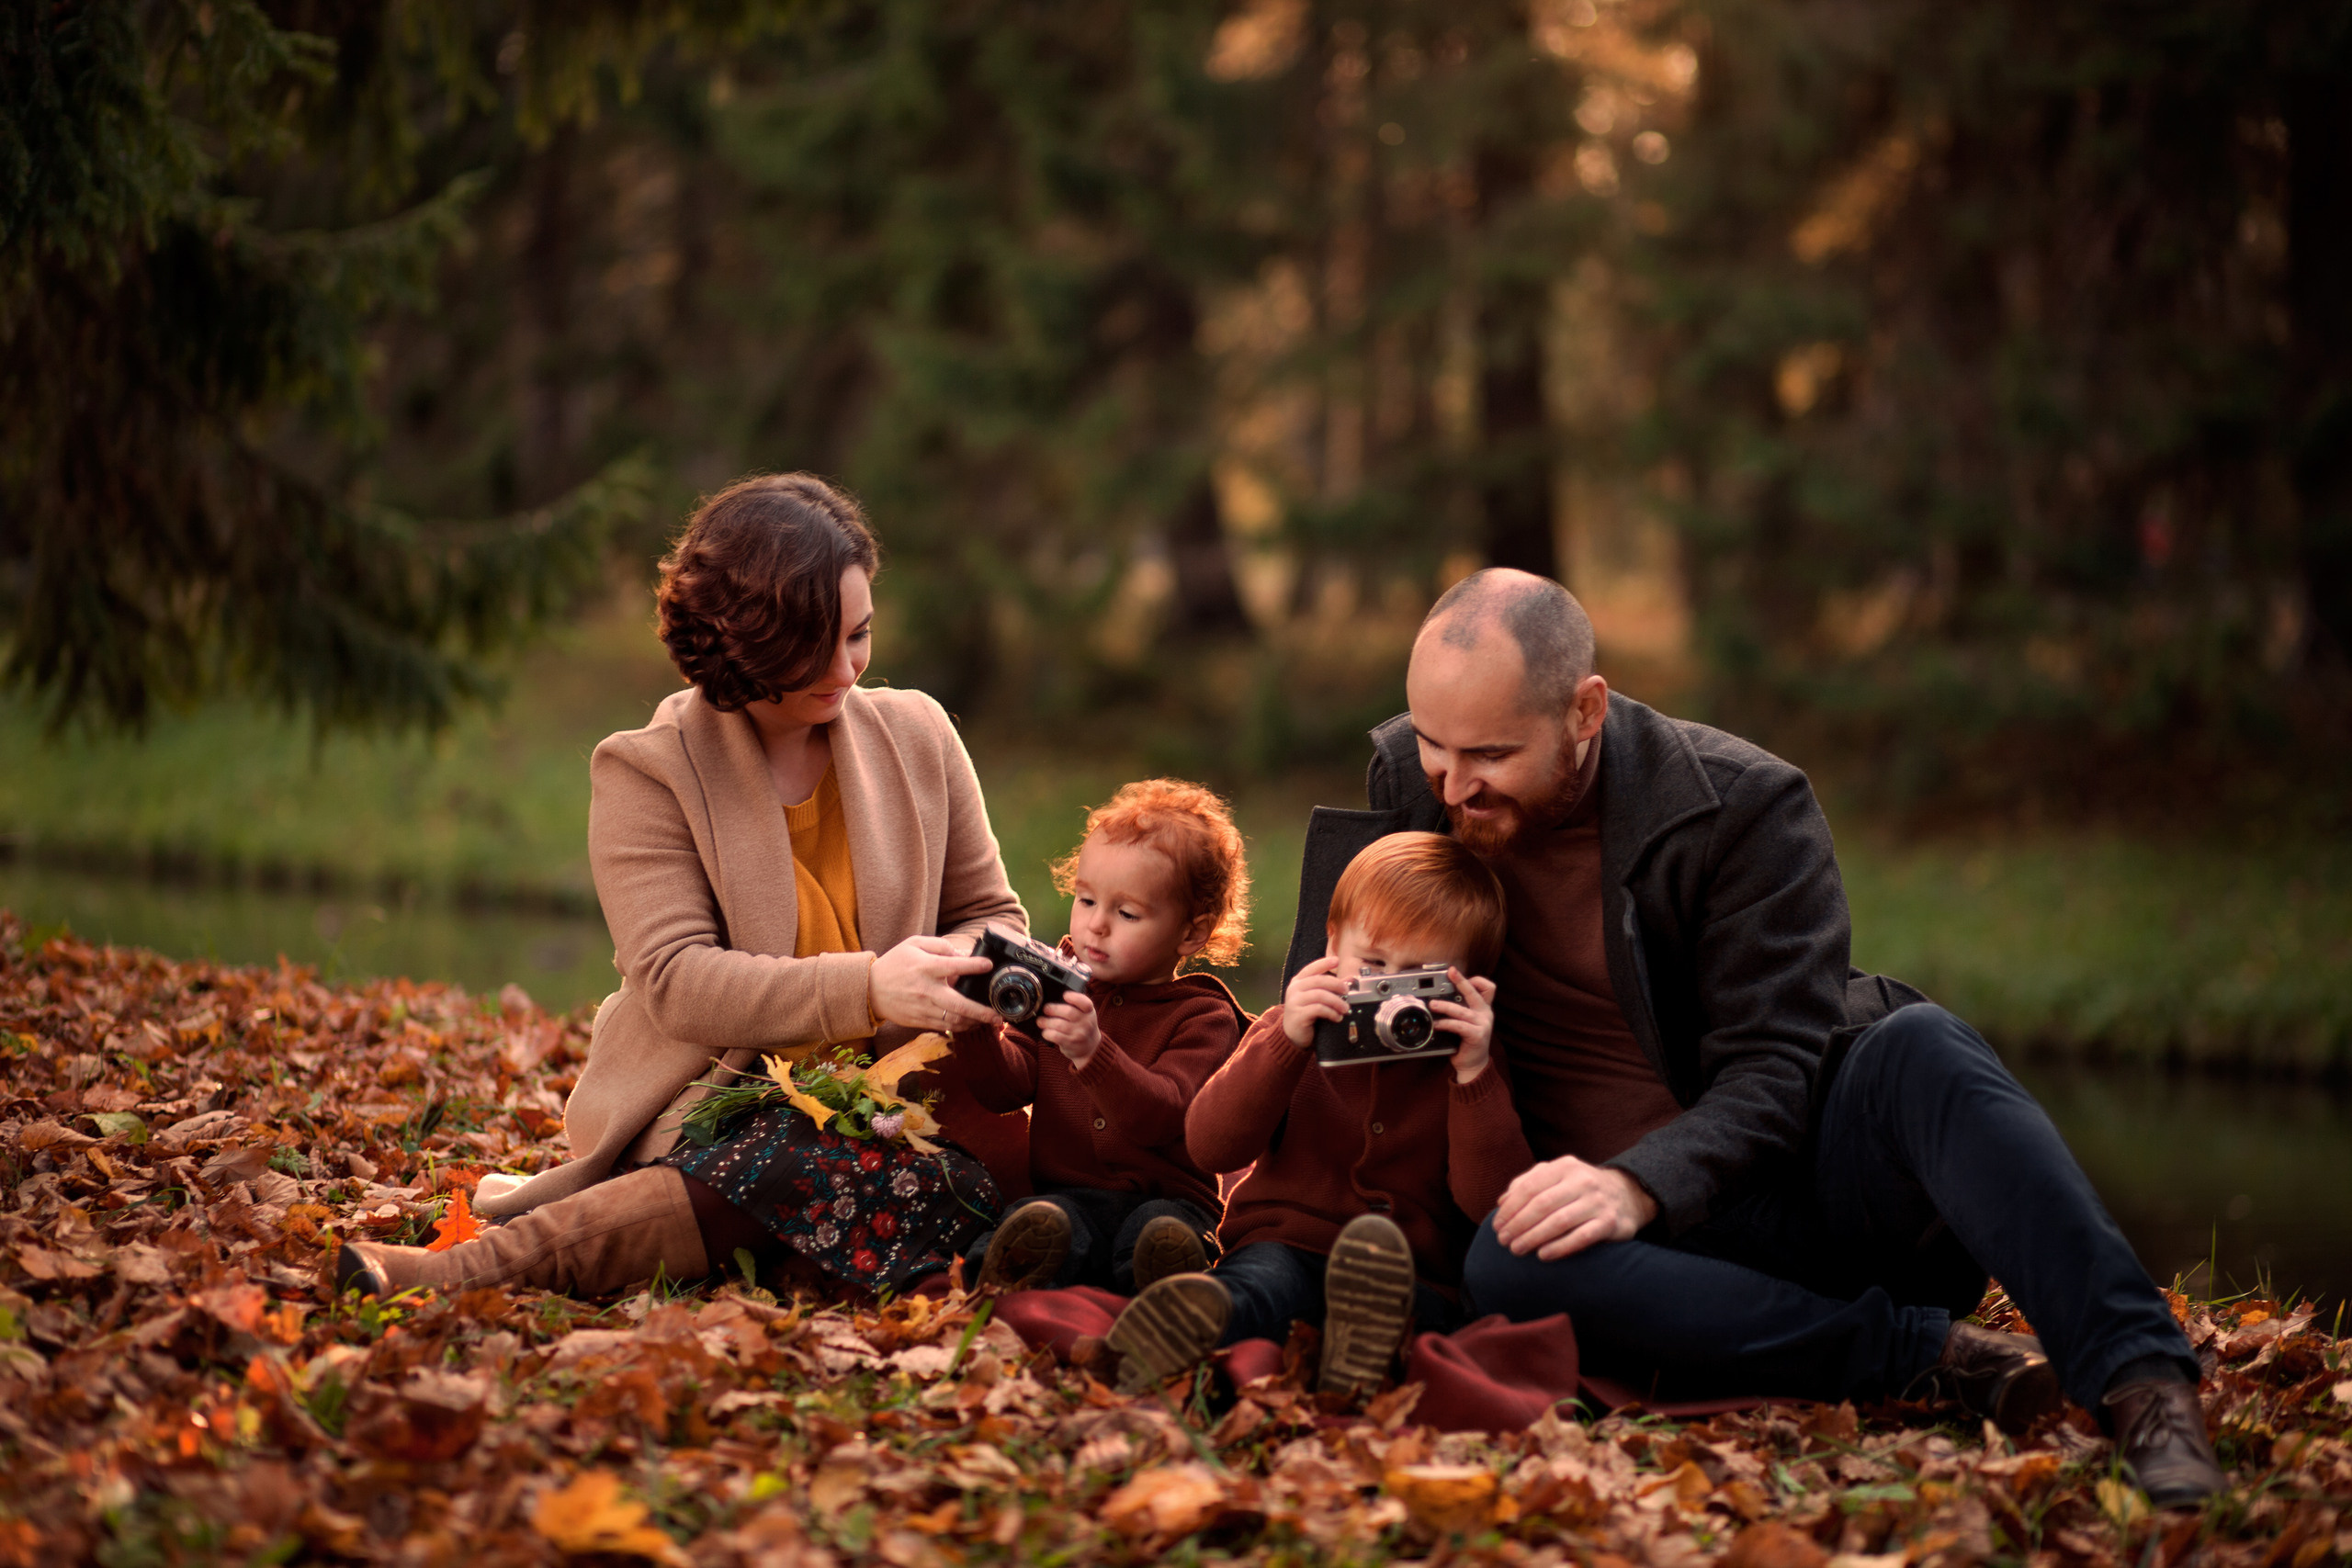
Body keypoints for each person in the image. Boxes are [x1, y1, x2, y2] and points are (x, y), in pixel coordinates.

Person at [1285, 567, 2222, 1506]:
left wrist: (1639, 1183)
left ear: (1584, 712)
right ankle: (1926, 1355)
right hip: (1612, 1251)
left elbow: (1777, 1072)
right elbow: (1345, 1006)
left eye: (1487, 754)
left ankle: (2144, 1385)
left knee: (1922, 1045)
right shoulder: (1414, 778)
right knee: (1503, 1260)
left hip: (1788, 1187)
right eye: (1433, 748)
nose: (1452, 787)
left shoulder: (1742, 806)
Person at [337, 473, 1027, 1302]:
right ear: (744, 635)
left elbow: (995, 915)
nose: (847, 668)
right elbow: (676, 980)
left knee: (935, 1179)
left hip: (901, 1110)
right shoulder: (645, 768)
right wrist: (872, 987)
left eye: (861, 634)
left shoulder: (920, 732)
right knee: (786, 1155)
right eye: (818, 643)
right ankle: (464, 1272)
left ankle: (801, 1250)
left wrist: (952, 965)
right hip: (717, 1105)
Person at [1103, 832, 1532, 1397]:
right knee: (1259, 1289)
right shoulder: (1294, 1032)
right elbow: (1210, 1147)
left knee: (1411, 1314)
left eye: (1419, 978)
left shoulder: (1469, 1063)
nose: (1387, 992)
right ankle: (1188, 1324)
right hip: (1286, 1242)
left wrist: (1474, 1074)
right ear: (1332, 945)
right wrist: (1285, 1041)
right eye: (1373, 964)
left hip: (1405, 1269)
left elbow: (1491, 1205)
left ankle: (1356, 1358)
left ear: (1471, 982)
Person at [951, 779, 1251, 1297]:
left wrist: (1093, 1053)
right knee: (1042, 1219)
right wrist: (977, 1034)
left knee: (1157, 1233)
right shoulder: (1057, 984)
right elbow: (1005, 1091)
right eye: (1086, 900)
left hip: (1170, 1200)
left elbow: (1161, 1115)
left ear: (1191, 933)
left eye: (1126, 913)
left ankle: (1167, 1285)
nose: (1096, 926)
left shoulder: (1204, 1017)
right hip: (1071, 1195)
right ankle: (1002, 1282)